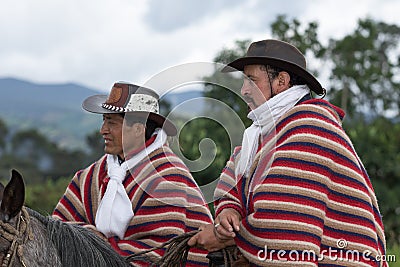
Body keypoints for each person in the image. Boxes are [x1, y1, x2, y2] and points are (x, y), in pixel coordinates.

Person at [188, 39, 388, 266]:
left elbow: (284, 224)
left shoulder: (310, 129)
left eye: (251, 81)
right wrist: (228, 215)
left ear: (281, 81)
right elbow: (233, 184)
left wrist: (226, 238)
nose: (243, 90)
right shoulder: (262, 134)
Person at [53, 82, 213, 266]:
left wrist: (92, 242)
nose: (103, 130)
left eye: (111, 122)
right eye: (104, 120)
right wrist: (89, 237)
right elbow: (58, 231)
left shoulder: (168, 177)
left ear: (138, 129)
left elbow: (157, 253)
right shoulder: (88, 178)